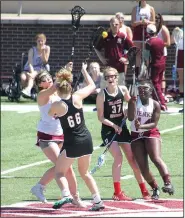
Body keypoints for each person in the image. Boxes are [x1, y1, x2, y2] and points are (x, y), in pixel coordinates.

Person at [48, 62, 105, 211]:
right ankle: (98, 200)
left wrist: (57, 83)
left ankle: (66, 194)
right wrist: (84, 70)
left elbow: (50, 113)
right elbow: (92, 85)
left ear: (58, 88)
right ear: (70, 86)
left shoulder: (57, 105)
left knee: (59, 172)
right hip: (86, 139)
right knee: (84, 172)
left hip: (72, 142)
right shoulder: (78, 96)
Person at [31, 62, 85, 207]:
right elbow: (56, 85)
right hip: (47, 137)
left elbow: (63, 87)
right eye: (44, 80)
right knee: (62, 167)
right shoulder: (42, 95)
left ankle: (74, 197)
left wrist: (67, 71)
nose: (48, 81)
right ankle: (66, 194)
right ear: (39, 84)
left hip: (61, 134)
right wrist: (65, 70)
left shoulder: (55, 92)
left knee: (66, 168)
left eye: (48, 78)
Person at [96, 66, 150, 201]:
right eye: (107, 77)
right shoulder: (102, 95)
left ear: (117, 77)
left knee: (132, 159)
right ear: (105, 79)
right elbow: (101, 117)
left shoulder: (123, 89)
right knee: (118, 157)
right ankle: (117, 192)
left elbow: (131, 103)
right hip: (109, 130)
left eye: (113, 76)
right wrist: (113, 125)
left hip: (122, 128)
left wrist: (128, 110)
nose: (110, 79)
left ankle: (144, 190)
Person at [127, 80, 174, 200]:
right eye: (140, 88)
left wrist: (141, 126)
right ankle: (155, 188)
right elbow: (131, 118)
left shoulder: (155, 104)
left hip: (150, 132)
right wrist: (131, 103)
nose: (142, 90)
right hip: (136, 135)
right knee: (143, 167)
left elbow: (154, 124)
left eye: (145, 88)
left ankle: (168, 183)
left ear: (151, 91)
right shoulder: (133, 101)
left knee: (156, 158)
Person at [95, 16, 134, 86]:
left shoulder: (123, 36)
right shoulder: (106, 36)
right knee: (105, 87)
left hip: (120, 67)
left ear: (119, 25)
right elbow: (96, 48)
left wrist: (126, 58)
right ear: (110, 25)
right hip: (109, 66)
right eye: (112, 24)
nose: (114, 26)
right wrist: (102, 58)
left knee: (120, 88)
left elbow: (133, 49)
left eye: (116, 24)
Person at [144, 23, 167, 111]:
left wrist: (146, 65)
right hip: (162, 63)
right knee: (159, 83)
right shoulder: (160, 41)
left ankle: (162, 103)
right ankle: (156, 102)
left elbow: (146, 57)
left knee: (155, 84)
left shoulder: (148, 42)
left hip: (154, 65)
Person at [21, 33, 50, 98]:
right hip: (29, 68)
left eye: (42, 41)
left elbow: (45, 62)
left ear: (44, 41)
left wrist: (43, 52)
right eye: (38, 41)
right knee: (23, 77)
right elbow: (30, 63)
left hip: (40, 69)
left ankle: (28, 90)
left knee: (32, 76)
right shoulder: (32, 50)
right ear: (36, 41)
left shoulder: (47, 48)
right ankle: (28, 91)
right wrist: (32, 72)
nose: (40, 42)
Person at [131, 0, 155, 72]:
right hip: (138, 32)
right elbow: (132, 23)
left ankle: (147, 71)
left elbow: (153, 22)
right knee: (137, 53)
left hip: (147, 32)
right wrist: (140, 22)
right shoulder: (135, 9)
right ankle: (137, 72)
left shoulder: (151, 8)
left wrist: (147, 22)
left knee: (146, 54)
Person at [155, 13, 171, 100]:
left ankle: (162, 93)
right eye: (154, 19)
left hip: (161, 54)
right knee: (154, 75)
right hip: (152, 54)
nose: (156, 20)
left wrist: (157, 45)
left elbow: (168, 43)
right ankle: (155, 93)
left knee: (162, 74)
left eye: (157, 19)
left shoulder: (163, 29)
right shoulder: (151, 28)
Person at [170, 20, 184, 105]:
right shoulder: (180, 31)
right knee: (181, 79)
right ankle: (182, 97)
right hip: (181, 53)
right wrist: (174, 33)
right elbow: (171, 41)